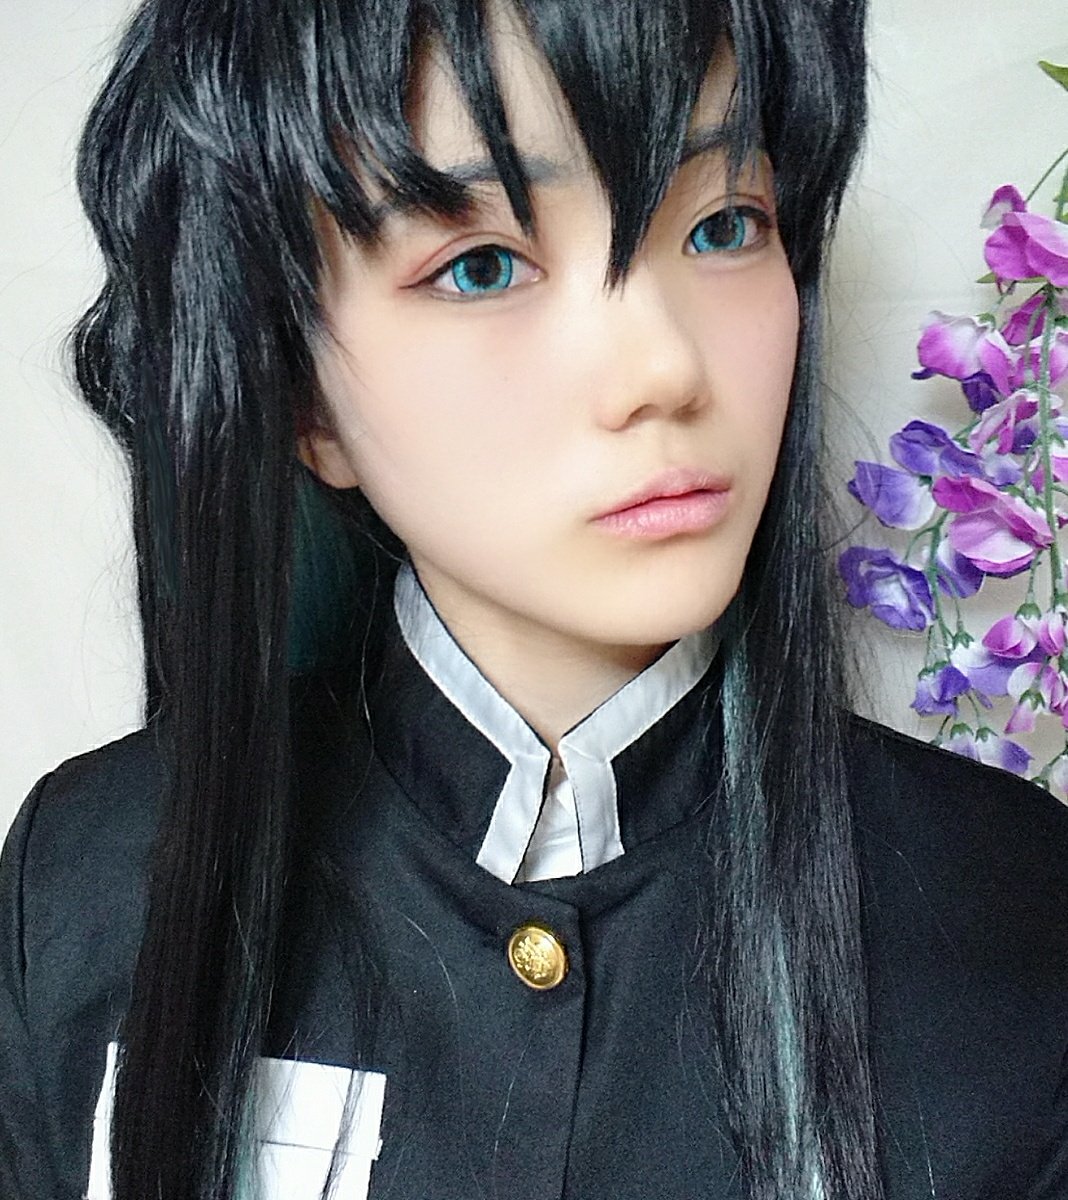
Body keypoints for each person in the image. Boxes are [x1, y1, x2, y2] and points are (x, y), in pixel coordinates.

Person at [1, 0, 1066, 1198]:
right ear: (298, 393)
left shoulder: (1022, 920)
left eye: (724, 226)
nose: (664, 366)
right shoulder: (85, 882)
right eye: (483, 267)